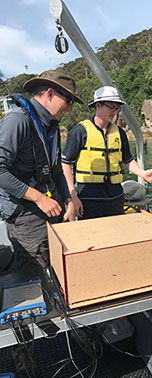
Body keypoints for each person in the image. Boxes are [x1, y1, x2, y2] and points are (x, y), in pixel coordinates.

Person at [0, 70, 83, 272]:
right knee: (39, 276)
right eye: (68, 101)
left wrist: (69, 200)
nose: (70, 109)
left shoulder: (51, 127)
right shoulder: (17, 120)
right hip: (26, 218)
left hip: (53, 211)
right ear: (50, 94)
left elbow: (56, 171)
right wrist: (39, 198)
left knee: (61, 270)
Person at [62, 86, 152, 219]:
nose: (115, 112)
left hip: (116, 198)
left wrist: (143, 173)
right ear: (98, 106)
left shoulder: (119, 133)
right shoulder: (79, 131)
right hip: (89, 199)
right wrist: (73, 197)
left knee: (117, 234)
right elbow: (65, 164)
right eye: (111, 107)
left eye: (117, 108)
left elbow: (128, 160)